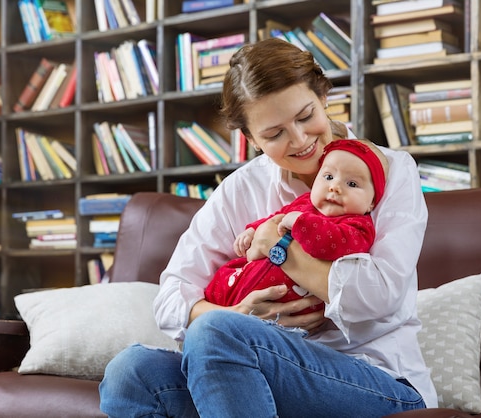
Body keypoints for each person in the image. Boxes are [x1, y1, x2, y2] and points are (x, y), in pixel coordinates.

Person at [99, 37, 437, 417]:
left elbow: (382, 295)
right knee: (132, 371)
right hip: (260, 377)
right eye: (274, 134)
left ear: (323, 97)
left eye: (306, 115)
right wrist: (241, 315)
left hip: (379, 381)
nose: (299, 140)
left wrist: (279, 245)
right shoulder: (242, 188)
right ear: (251, 140)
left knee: (217, 333)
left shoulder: (390, 170)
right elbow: (171, 297)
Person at [204, 139, 388, 316]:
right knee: (213, 304)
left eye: (352, 184)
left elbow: (335, 244)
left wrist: (302, 224)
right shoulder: (305, 202)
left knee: (219, 328)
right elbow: (275, 219)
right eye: (329, 177)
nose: (335, 187)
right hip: (242, 280)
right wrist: (253, 231)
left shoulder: (358, 226)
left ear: (371, 203)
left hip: (284, 308)